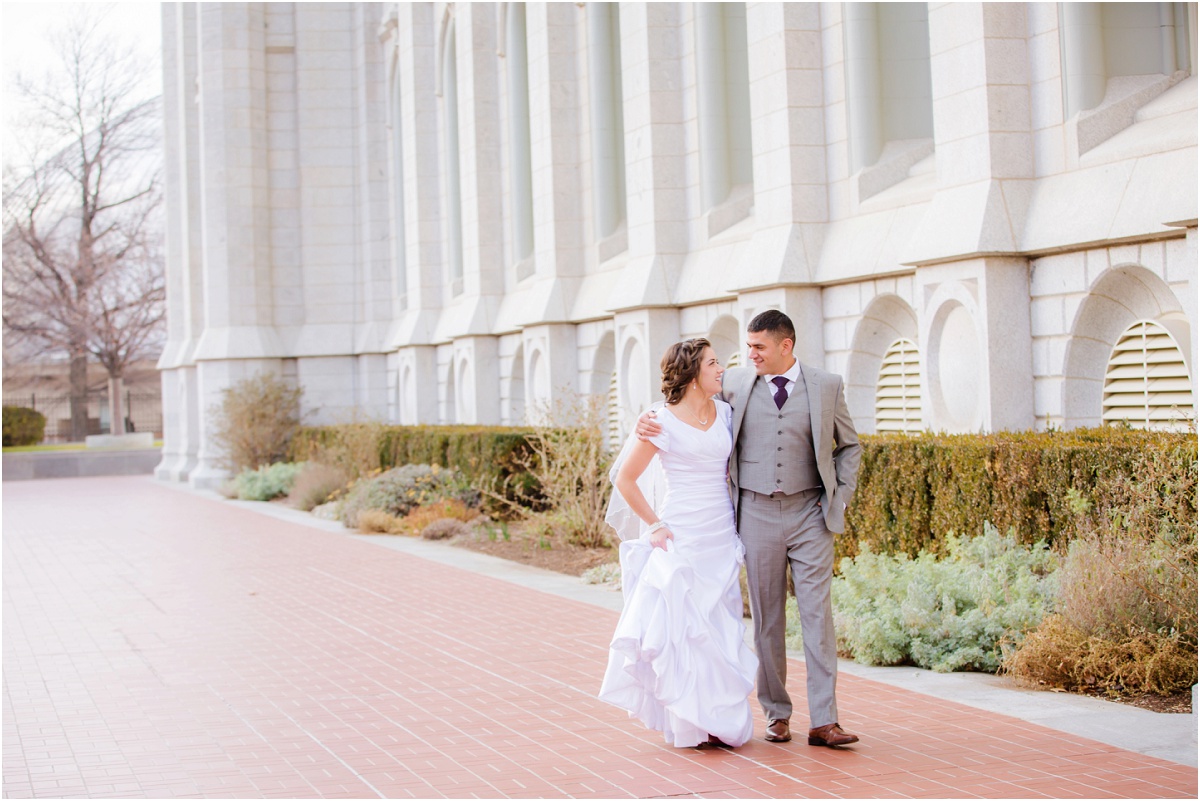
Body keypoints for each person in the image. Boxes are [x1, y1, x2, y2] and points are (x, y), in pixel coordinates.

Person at [637, 310, 862, 748]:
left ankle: (824, 721)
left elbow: (849, 445)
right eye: (748, 346)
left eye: (759, 347)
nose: (749, 354)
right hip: (755, 515)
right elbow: (686, 406)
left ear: (786, 346)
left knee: (818, 616)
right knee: (766, 619)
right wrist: (643, 423)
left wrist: (839, 497)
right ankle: (777, 715)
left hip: (810, 514)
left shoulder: (826, 384)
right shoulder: (735, 384)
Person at [598, 338, 758, 749]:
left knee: (720, 625)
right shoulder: (659, 421)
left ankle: (722, 719)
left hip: (720, 530)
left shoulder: (726, 411)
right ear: (691, 373)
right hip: (682, 530)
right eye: (713, 363)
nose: (721, 368)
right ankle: (692, 722)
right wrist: (654, 524)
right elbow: (625, 479)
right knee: (687, 626)